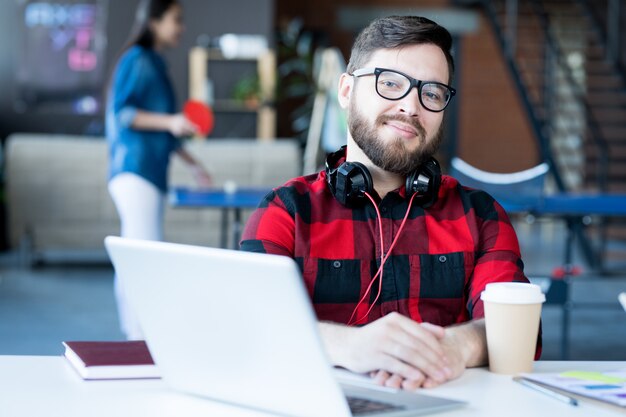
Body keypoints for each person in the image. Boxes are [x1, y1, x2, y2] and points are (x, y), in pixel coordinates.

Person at [241, 16, 539, 390]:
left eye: (430, 93)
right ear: (347, 90)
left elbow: (519, 326)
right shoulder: (285, 212)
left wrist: (456, 346)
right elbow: (247, 323)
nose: (411, 107)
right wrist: (350, 346)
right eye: (391, 83)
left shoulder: (480, 215)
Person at [106, 0, 211, 339]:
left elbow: (167, 132)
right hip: (135, 171)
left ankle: (135, 335)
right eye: (175, 20)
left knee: (138, 254)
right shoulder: (138, 60)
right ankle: (140, 340)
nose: (181, 27)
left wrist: (195, 166)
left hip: (146, 172)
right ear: (154, 22)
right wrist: (171, 120)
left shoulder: (155, 63)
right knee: (143, 258)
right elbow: (123, 114)